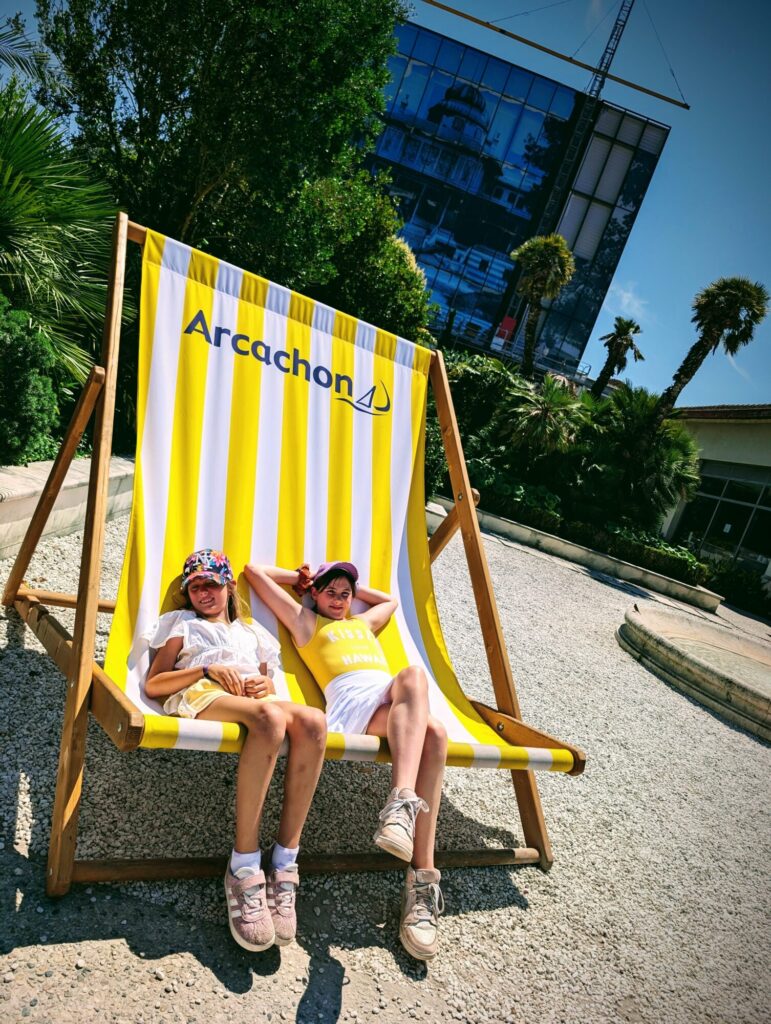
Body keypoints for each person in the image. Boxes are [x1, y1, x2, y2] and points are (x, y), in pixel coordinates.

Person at [246, 560, 447, 961]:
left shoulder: (363, 623)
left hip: (390, 704)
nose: (338, 601)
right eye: (329, 592)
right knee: (413, 678)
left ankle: (418, 872)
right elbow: (254, 572)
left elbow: (389, 601)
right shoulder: (306, 622)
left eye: (345, 594)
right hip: (353, 705)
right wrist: (301, 581)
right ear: (315, 595)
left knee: (437, 733)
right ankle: (402, 810)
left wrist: (348, 588)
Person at [144, 549, 327, 953]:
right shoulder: (183, 625)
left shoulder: (254, 633)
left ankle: (283, 863)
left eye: (211, 583)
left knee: (314, 722)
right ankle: (243, 863)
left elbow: (267, 687)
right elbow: (154, 685)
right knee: (269, 719)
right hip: (203, 693)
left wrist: (264, 687)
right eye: (194, 586)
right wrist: (205, 670)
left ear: (229, 587)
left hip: (252, 703)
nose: (203, 592)